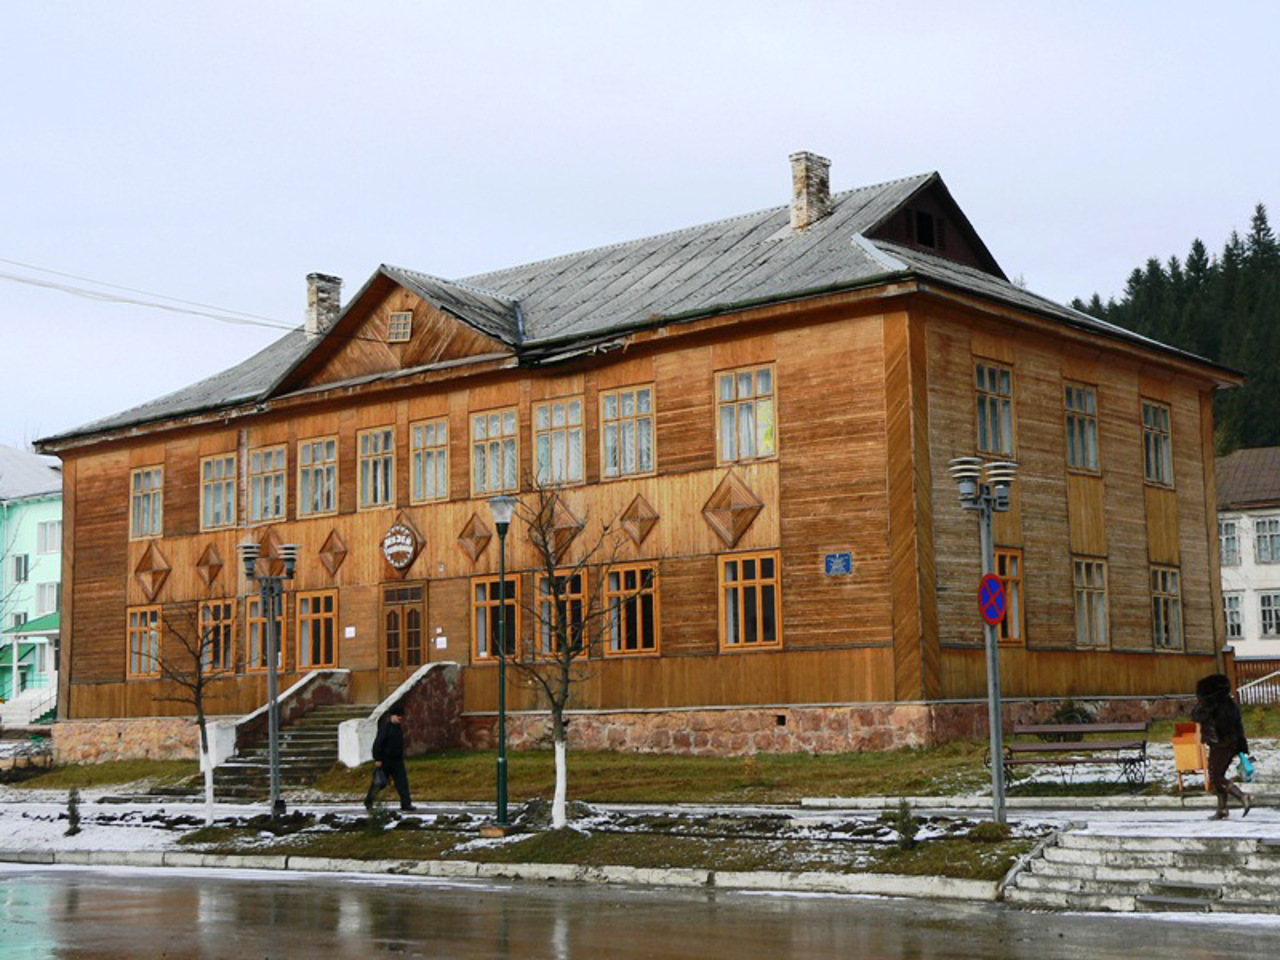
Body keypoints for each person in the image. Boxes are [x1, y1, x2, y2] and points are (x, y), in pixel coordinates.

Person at [1190, 674, 1252, 819]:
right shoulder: (1229, 703)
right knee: (1216, 776)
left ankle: (1242, 796)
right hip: (1230, 743)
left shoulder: (1211, 705)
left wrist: (1204, 703)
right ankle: (1222, 810)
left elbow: (1196, 716)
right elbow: (1238, 725)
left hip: (1221, 744)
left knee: (1216, 776)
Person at [365, 704, 416, 812]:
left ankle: (406, 804)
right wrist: (377, 758)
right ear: (392, 716)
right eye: (398, 716)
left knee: (402, 783)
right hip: (385, 760)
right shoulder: (385, 728)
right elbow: (378, 744)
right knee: (379, 783)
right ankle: (369, 800)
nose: (400, 718)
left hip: (397, 760)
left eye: (401, 716)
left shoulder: (398, 728)